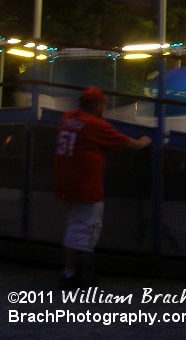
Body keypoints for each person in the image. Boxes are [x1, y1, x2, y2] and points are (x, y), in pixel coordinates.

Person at [54, 86, 151, 286]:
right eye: (102, 105)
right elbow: (131, 144)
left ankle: (69, 271)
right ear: (96, 105)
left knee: (74, 225)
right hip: (85, 186)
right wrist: (145, 140)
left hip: (65, 183)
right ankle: (81, 275)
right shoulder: (95, 125)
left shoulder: (68, 118)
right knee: (87, 228)